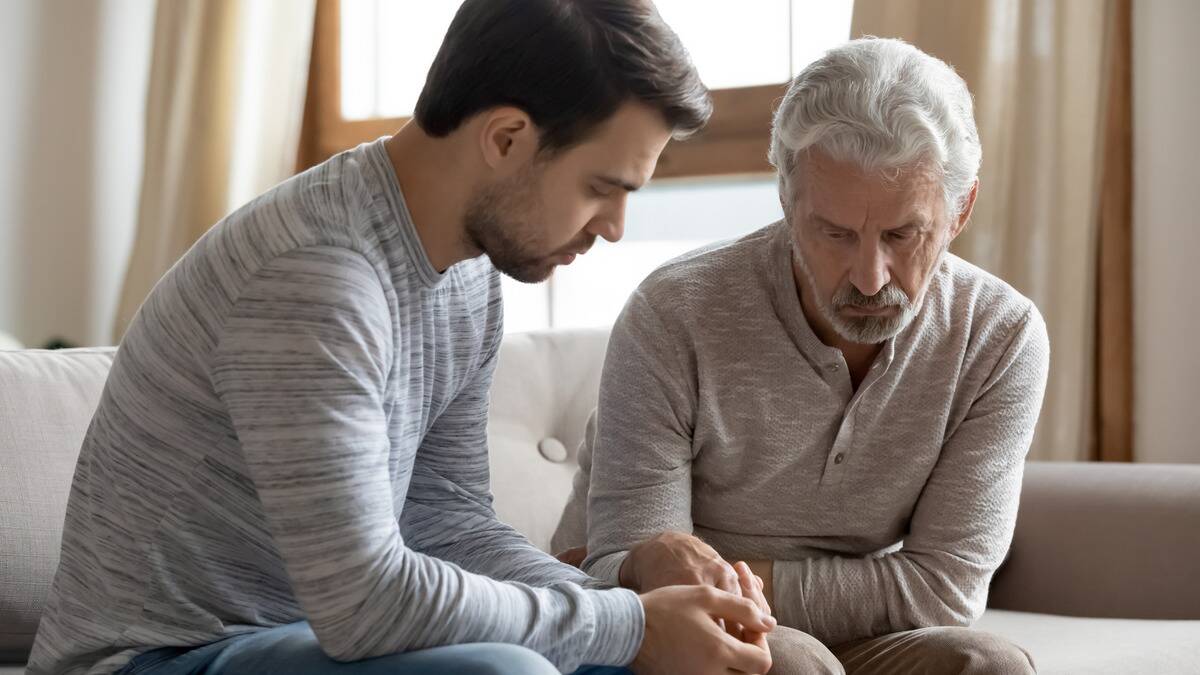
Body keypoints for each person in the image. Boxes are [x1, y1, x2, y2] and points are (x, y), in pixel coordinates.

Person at [27, 1, 778, 674]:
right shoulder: (316, 276)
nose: (614, 228)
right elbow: (366, 601)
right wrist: (625, 624)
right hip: (164, 655)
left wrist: (635, 615)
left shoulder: (468, 275)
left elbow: (444, 518)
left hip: (312, 640)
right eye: (601, 188)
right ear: (508, 137)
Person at [555, 37, 1049, 674]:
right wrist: (734, 595)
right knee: (790, 663)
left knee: (989, 664)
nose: (871, 278)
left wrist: (746, 582)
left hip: (826, 628)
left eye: (902, 234)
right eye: (834, 233)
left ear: (960, 210)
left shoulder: (1000, 336)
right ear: (787, 203)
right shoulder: (674, 313)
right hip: (663, 627)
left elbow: (946, 589)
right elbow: (637, 562)